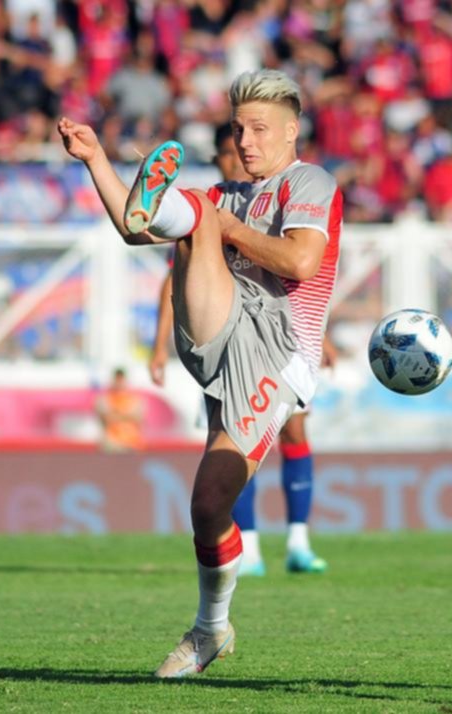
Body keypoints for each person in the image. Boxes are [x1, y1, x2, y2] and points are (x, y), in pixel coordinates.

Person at [58, 68, 342, 678]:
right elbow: (132, 240)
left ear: (292, 132)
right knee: (194, 216)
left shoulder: (308, 180)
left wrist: (224, 225)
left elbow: (301, 259)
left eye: (259, 129)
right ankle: (155, 206)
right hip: (221, 331)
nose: (245, 141)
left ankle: (209, 629)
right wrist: (96, 160)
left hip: (275, 348)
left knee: (210, 501)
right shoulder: (230, 192)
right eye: (238, 128)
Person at [149, 123, 334, 577]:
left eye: (253, 140)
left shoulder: (279, 199)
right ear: (221, 158)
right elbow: (174, 281)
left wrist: (319, 336)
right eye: (234, 147)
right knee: (232, 446)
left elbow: (297, 272)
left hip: (280, 344)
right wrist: (158, 349)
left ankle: (297, 541)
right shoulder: (218, 201)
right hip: (230, 341)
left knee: (293, 433)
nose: (244, 154)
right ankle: (247, 543)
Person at [96, 367, 144, 452]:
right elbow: (107, 418)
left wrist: (116, 414)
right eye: (117, 379)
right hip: (112, 444)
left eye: (121, 379)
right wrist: (127, 415)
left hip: (132, 443)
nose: (119, 383)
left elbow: (138, 418)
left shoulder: (134, 400)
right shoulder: (105, 399)